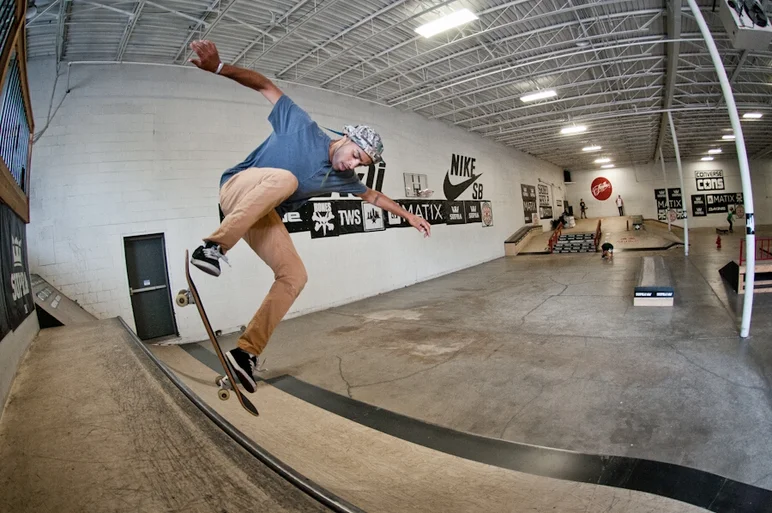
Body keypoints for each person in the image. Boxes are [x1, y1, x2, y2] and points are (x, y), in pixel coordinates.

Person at [186, 40, 432, 393]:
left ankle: (244, 354)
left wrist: (408, 215)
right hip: (237, 190)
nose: (351, 164)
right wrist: (221, 67)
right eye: (354, 155)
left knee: (295, 276)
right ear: (346, 138)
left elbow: (372, 195)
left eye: (360, 164)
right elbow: (265, 86)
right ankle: (212, 248)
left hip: (260, 213)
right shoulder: (301, 125)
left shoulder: (342, 177)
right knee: (287, 179)